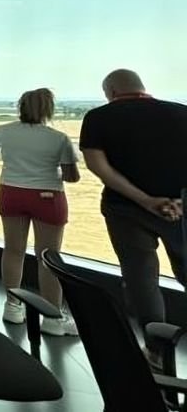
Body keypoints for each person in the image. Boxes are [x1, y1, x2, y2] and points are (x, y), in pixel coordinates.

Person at [80, 69, 187, 364]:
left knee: (141, 279)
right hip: (181, 208)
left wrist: (145, 200)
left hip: (125, 210)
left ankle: (156, 351)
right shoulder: (181, 112)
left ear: (112, 92)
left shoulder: (98, 118)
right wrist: (180, 201)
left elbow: (99, 167)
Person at [0, 88, 80, 336]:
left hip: (10, 193)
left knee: (13, 251)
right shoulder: (59, 138)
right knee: (47, 257)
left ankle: (12, 306)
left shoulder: (4, 130)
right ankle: (53, 318)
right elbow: (72, 177)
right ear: (49, 110)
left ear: (20, 107)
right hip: (47, 197)